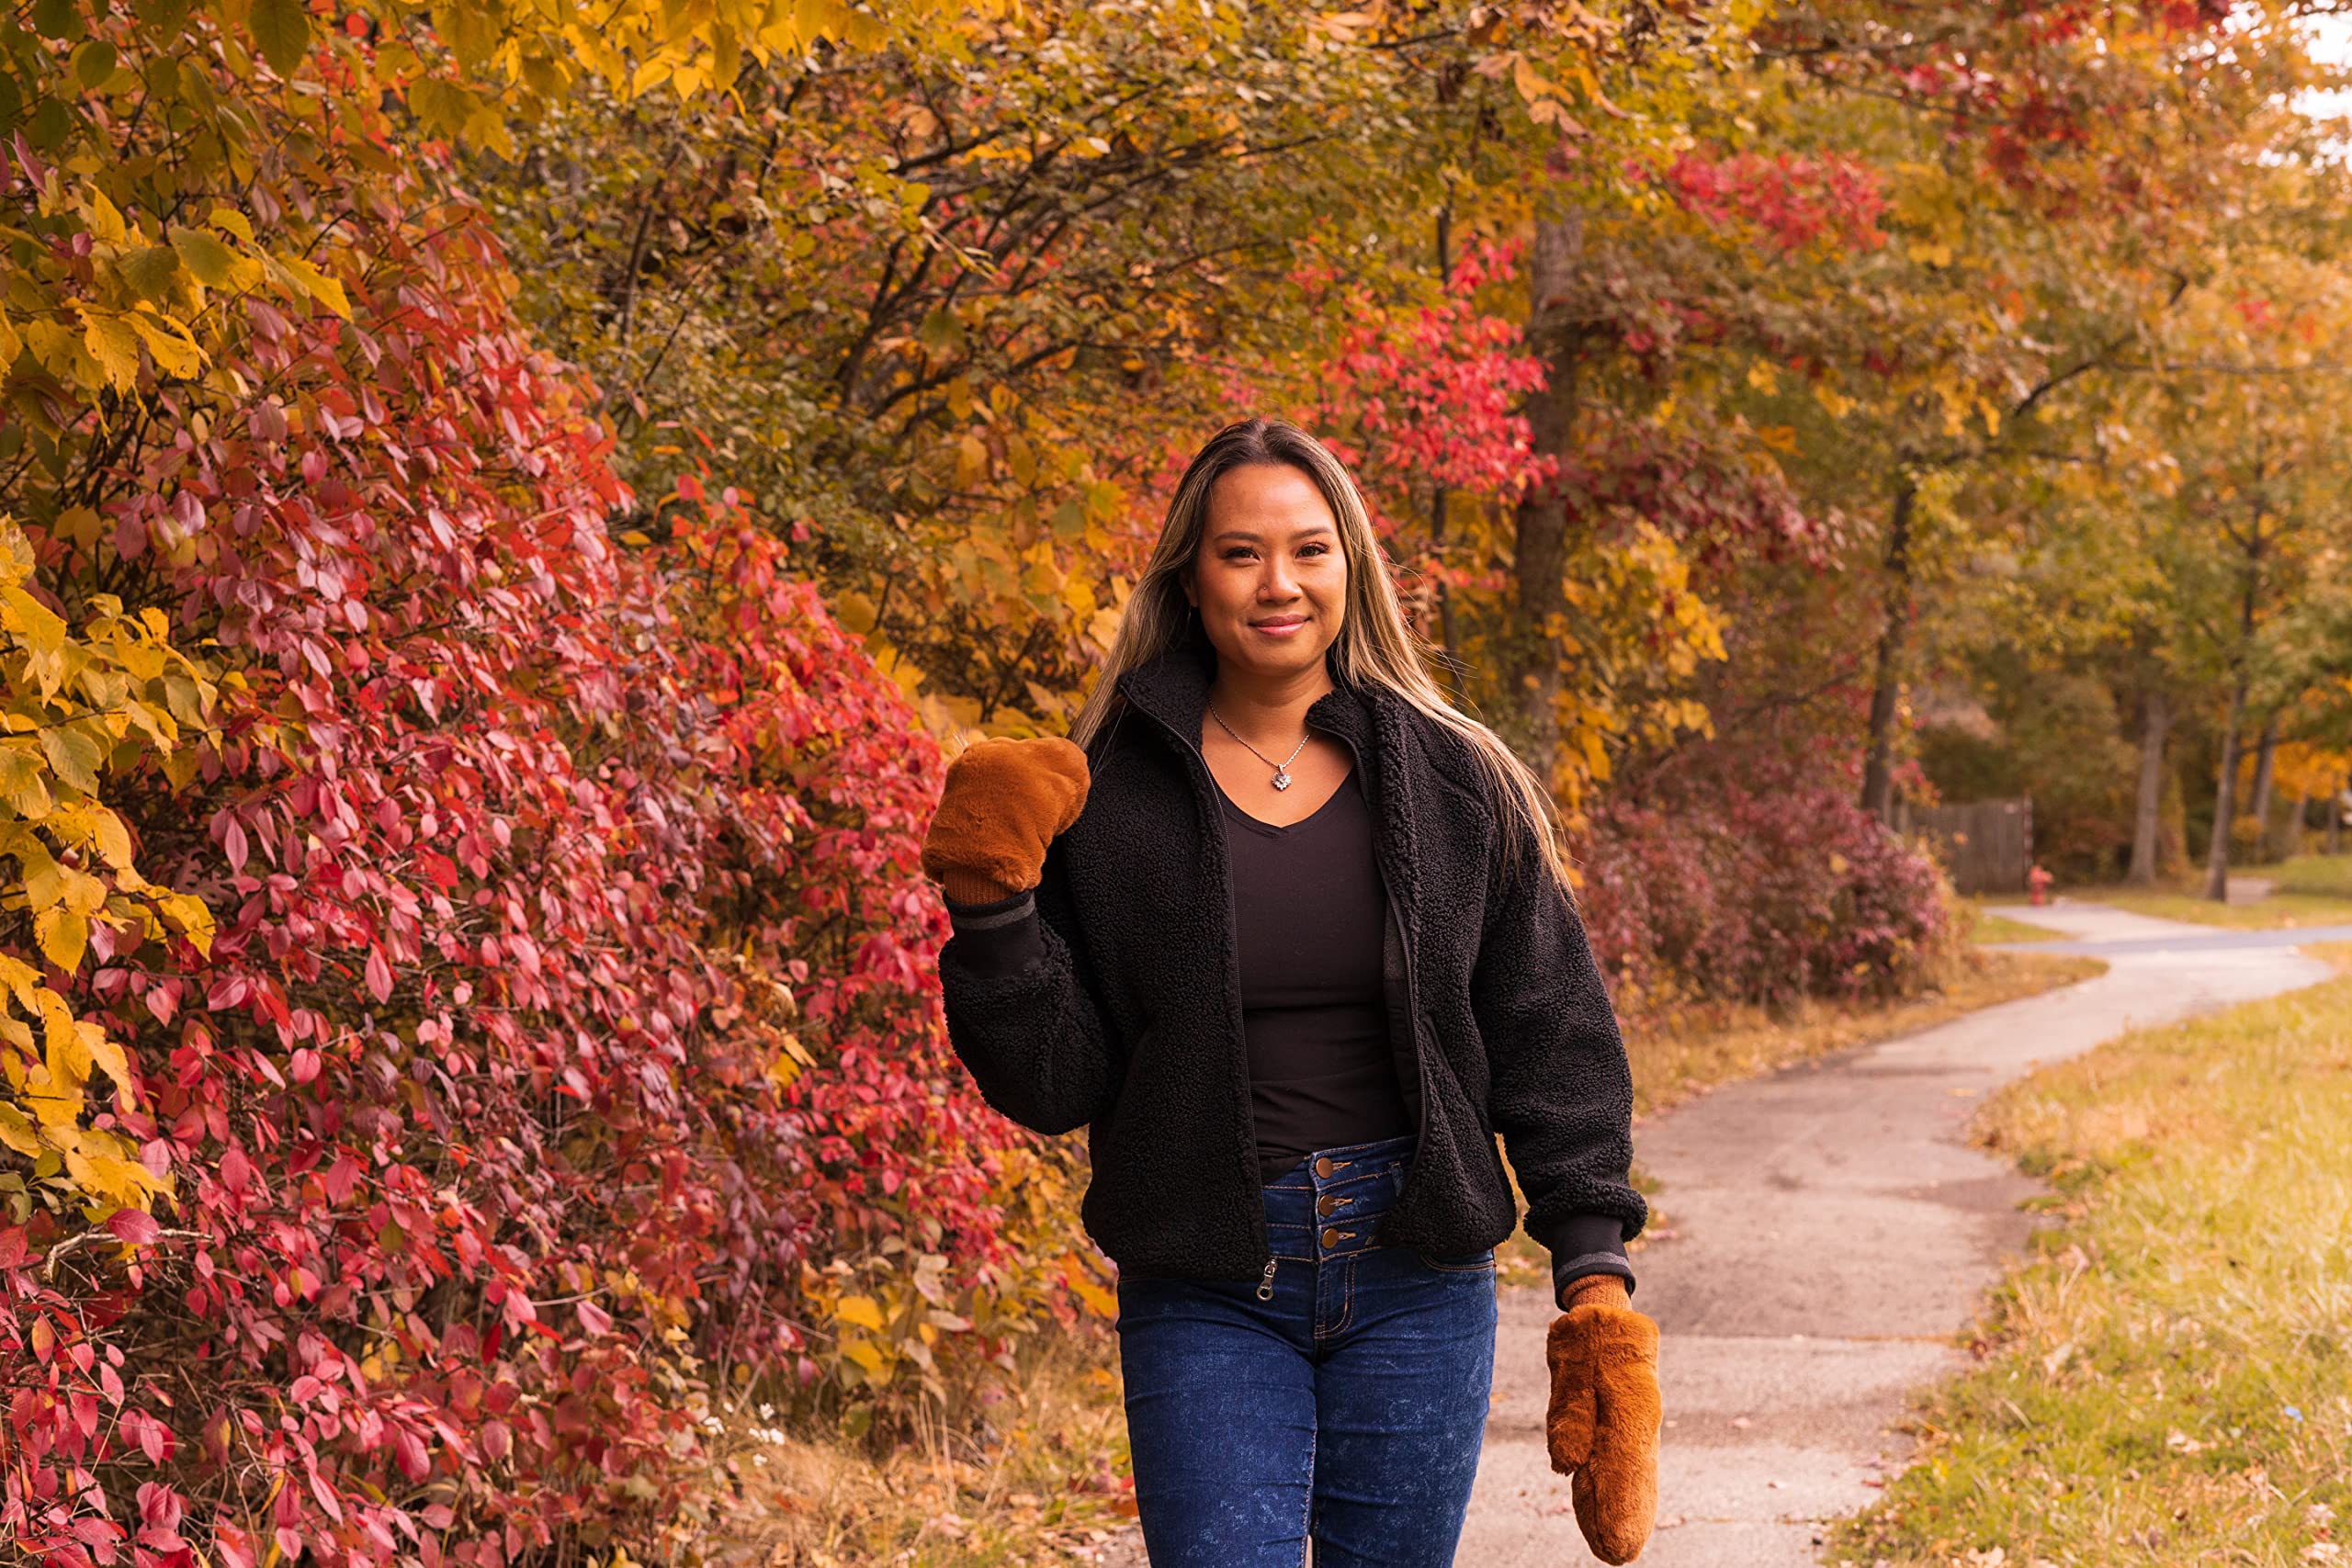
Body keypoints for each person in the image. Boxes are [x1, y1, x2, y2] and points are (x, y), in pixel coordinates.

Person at [920, 417, 1660, 1565]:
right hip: (1207, 1275)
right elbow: (1052, 1081)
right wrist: (992, 909)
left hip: (1418, 1271)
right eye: (1241, 553)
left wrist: (1595, 1276)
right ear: (1191, 573)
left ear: (1350, 567)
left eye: (1310, 550)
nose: (1279, 584)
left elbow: (1552, 1027)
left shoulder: (1454, 777)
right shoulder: (1104, 791)